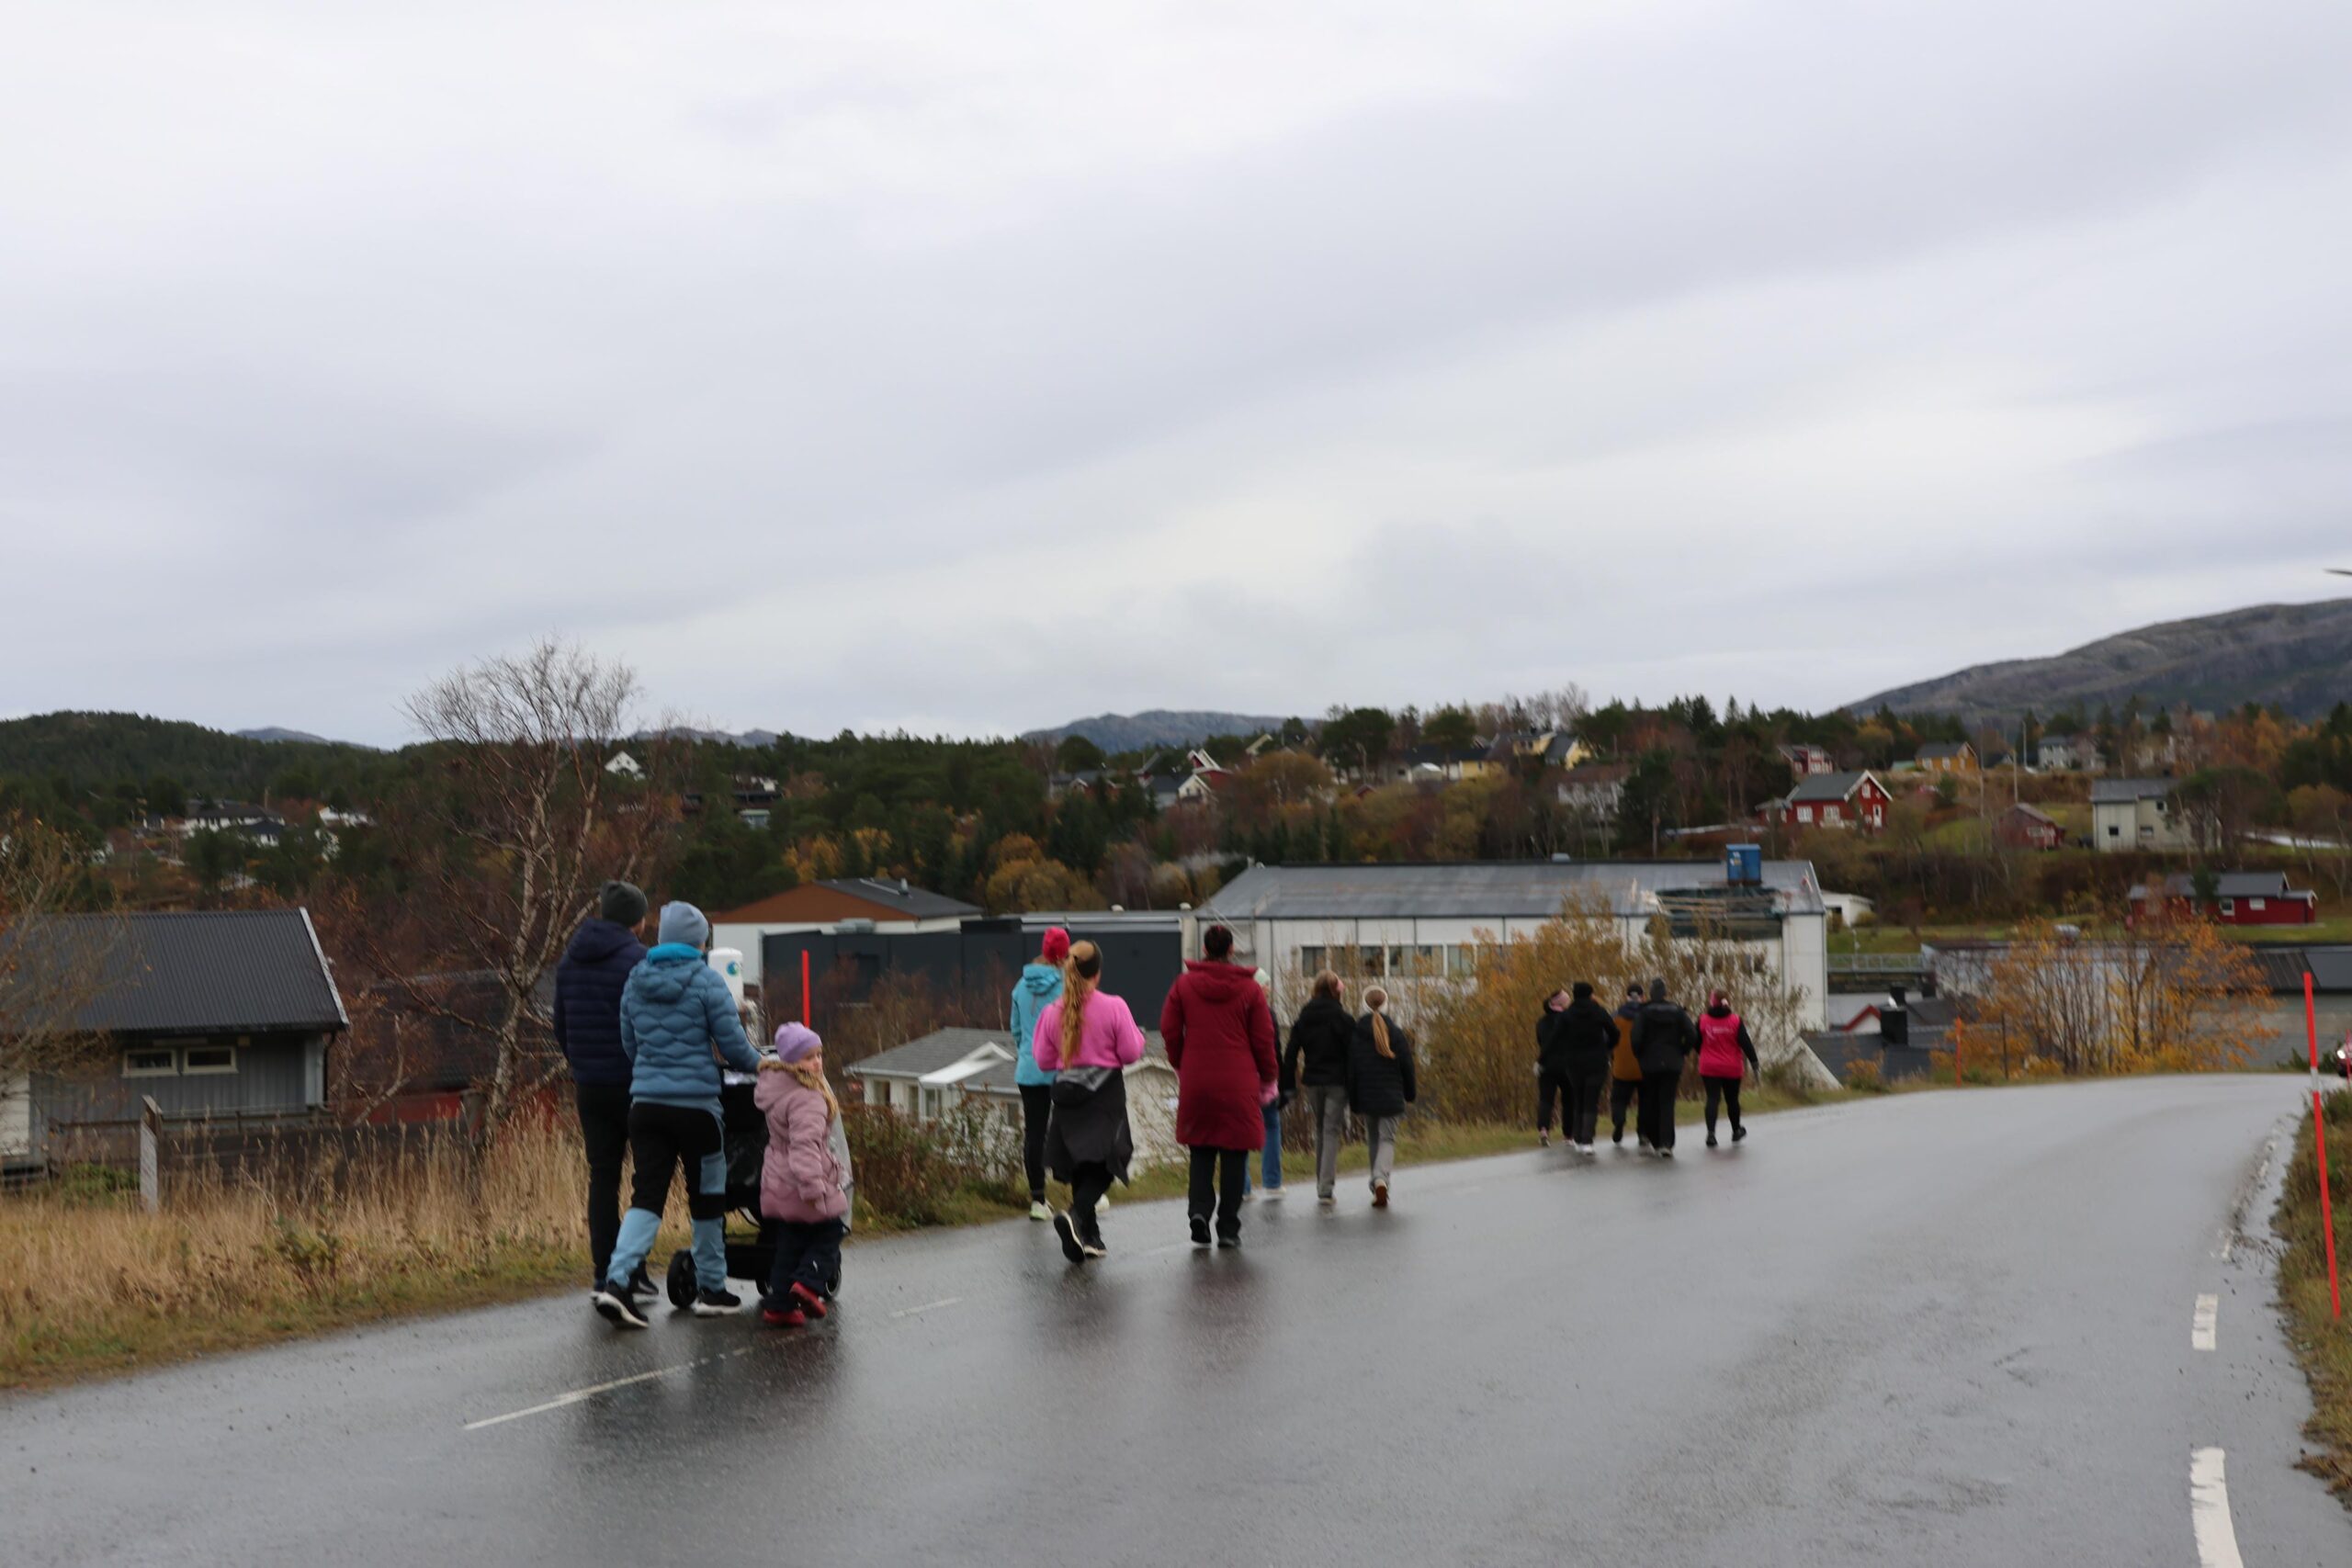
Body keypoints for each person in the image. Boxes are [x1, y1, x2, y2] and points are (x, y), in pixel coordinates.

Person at [594, 900, 762, 1329]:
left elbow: (630, 1044)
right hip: (697, 1111)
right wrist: (769, 1065)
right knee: (707, 1198)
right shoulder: (707, 982)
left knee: (646, 1196)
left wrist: (653, 1072)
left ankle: (615, 1284)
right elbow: (737, 1050)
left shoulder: (635, 980)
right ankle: (712, 1289)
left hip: (646, 1107)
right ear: (698, 941)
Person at [551, 879, 650, 1301]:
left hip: (589, 1084)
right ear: (636, 921)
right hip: (634, 1082)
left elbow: (560, 1024)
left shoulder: (570, 959)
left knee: (602, 1177)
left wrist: (580, 1062)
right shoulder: (639, 960)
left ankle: (602, 1271)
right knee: (646, 1179)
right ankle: (631, 1272)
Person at [1160, 924, 1278, 1248]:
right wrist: (1268, 1075)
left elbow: (1169, 1028)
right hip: (1238, 1080)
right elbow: (1263, 1039)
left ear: (1204, 950)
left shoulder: (1184, 985)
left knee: (1201, 1149)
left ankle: (1198, 1212)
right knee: (1234, 1153)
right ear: (1231, 951)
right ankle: (1227, 1226)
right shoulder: (1251, 991)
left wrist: (1179, 1061)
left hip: (1197, 1077)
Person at [1032, 940, 1148, 1263]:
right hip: (1104, 1093)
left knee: (1083, 1161)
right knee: (1110, 1161)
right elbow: (1130, 1052)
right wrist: (1137, 1035)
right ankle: (1076, 1214)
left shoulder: (1052, 1012)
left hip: (1067, 1093)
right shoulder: (1113, 1006)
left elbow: (1042, 1059)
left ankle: (1089, 1236)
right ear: (1096, 974)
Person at [755, 1023, 851, 1327]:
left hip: (778, 1182)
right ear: (792, 1062)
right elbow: (805, 1147)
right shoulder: (808, 1098)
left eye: (819, 1055)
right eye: (809, 1057)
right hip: (803, 1182)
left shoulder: (777, 1091)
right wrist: (814, 1188)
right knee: (831, 1230)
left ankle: (780, 1304)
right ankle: (809, 1284)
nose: (818, 1063)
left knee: (790, 1241)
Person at [1009, 927, 1071, 1222]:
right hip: (1060, 1067)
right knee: (1068, 1126)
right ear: (1064, 954)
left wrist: (1027, 1053)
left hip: (1028, 1070)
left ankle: (1037, 1200)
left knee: (1034, 1133)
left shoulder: (1021, 985)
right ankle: (1074, 1186)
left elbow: (1017, 1029)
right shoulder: (1068, 985)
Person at [1283, 970, 1353, 1206]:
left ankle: (1321, 1182)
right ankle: (1325, 1187)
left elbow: (1291, 1052)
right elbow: (1353, 1053)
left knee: (1321, 1128)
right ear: (1336, 991)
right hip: (1337, 1082)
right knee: (1331, 1130)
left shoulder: (1304, 1017)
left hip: (1312, 1081)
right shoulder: (1342, 1018)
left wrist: (1288, 1084)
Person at [1346, 986, 1416, 1207]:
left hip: (1367, 1097)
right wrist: (1410, 1093)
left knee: (1374, 1139)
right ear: (1386, 1006)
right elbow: (1407, 1066)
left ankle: (1377, 1184)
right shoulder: (1396, 1032)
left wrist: (1354, 1100)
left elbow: (1351, 1070)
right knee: (1387, 1139)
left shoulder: (1356, 1033)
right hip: (1392, 1097)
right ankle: (1380, 1179)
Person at [1627, 978, 1699, 1158]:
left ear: (1650, 994)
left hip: (1649, 1063)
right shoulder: (1677, 1011)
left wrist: (1640, 1055)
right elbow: (1692, 1034)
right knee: (1667, 1103)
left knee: (1650, 1101)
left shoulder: (1643, 1013)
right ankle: (1667, 1143)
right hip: (1672, 1062)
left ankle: (1656, 1140)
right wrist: (1682, 1051)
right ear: (1665, 993)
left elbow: (1635, 1038)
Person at [1551, 982, 1621, 1155]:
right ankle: (1587, 1139)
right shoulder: (1599, 1012)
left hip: (1574, 1062)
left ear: (1574, 995)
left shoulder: (1566, 1015)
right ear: (1590, 994)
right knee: (1591, 1099)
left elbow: (1555, 1038)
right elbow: (1614, 1033)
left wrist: (1563, 1052)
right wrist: (1607, 1048)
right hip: (1597, 1061)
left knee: (1578, 1097)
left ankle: (1578, 1137)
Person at [1696, 989, 1760, 1148]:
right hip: (1731, 1067)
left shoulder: (1702, 1020)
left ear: (1711, 1002)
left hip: (1709, 1066)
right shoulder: (1735, 1021)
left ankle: (1711, 1134)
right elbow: (1746, 1043)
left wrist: (1703, 1052)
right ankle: (1736, 1130)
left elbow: (1694, 1039)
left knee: (1712, 1098)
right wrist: (1754, 1062)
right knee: (1732, 1100)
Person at [1249, 967, 1286, 1201]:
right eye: (1266, 984)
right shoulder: (1267, 1013)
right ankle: (1272, 1181)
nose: (1269, 989)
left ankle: (1243, 1187)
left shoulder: (1238, 1011)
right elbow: (1275, 1048)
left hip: (1241, 1077)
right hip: (1264, 1078)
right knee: (1271, 1125)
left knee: (1239, 1130)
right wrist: (1276, 1076)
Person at [1609, 984, 1646, 1148]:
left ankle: (1619, 1120)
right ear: (1642, 996)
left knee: (1618, 1099)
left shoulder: (1616, 1016)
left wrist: (1612, 1056)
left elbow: (1608, 1039)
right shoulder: (1647, 1015)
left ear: (1627, 996)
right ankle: (1643, 1133)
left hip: (1621, 1065)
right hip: (1643, 1065)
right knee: (1645, 1100)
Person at [1533, 989, 1572, 1147]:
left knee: (1546, 1099)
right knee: (1569, 1100)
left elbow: (1541, 1042)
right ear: (1562, 1003)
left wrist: (1540, 1061)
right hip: (1567, 1066)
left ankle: (1543, 1130)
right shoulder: (1568, 1020)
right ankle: (1568, 1134)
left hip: (1546, 1065)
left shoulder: (1541, 1022)